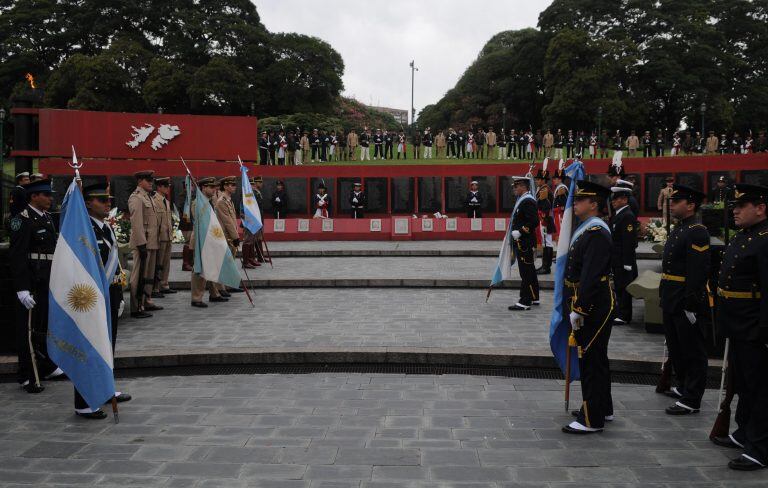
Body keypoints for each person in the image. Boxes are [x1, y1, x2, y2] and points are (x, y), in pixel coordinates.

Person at [712, 183, 768, 471]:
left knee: (760, 388)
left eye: (741, 206)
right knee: (744, 384)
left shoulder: (765, 239)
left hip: (754, 327)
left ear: (761, 208)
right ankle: (745, 432)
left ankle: (760, 448)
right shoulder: (745, 236)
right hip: (736, 323)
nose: (734, 210)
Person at [74, 184, 132, 419]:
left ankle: (106, 389)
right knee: (90, 346)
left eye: (108, 199)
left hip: (109, 295)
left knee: (108, 346)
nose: (107, 203)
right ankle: (83, 402)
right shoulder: (84, 229)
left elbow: (113, 267)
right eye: (101, 200)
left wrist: (117, 296)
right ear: (87, 203)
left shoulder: (105, 227)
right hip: (92, 297)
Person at [562, 180, 615, 435]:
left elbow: (592, 275)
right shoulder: (588, 229)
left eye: (580, 200)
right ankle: (601, 405)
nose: (575, 203)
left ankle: (592, 418)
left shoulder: (595, 232)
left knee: (591, 358)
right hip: (591, 300)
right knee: (597, 357)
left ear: (594, 204)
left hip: (594, 304)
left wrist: (580, 309)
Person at [657, 184, 709, 416]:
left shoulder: (697, 231)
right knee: (676, 346)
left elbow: (698, 271)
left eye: (677, 201)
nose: (672, 204)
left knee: (692, 349)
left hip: (683, 299)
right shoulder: (680, 229)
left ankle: (692, 397)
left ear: (690, 205)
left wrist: (691, 303)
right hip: (671, 296)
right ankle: (683, 385)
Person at [9, 178, 63, 393]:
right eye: (46, 195)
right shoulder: (22, 219)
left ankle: (46, 365)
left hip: (47, 280)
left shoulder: (48, 218)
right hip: (32, 281)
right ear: (34, 197)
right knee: (28, 329)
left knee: (44, 326)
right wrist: (21, 288)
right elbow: (17, 256)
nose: (50, 198)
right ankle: (26, 374)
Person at [128, 170, 163, 318]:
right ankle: (136, 307)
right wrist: (141, 244)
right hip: (143, 243)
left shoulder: (148, 197)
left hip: (152, 242)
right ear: (140, 181)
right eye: (148, 180)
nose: (151, 182)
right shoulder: (136, 198)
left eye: (152, 180)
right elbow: (136, 223)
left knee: (149, 275)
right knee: (139, 275)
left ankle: (145, 300)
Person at [189, 177, 228, 308]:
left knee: (212, 266)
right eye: (211, 187)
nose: (214, 190)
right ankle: (196, 298)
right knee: (199, 269)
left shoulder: (209, 202)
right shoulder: (197, 203)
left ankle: (214, 293)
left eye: (214, 187)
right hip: (201, 239)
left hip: (210, 239)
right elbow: (200, 223)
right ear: (203, 188)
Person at [508, 176, 540, 311]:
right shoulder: (522, 200)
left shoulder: (528, 201)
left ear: (523, 186)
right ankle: (534, 296)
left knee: (526, 271)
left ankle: (525, 300)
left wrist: (520, 231)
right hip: (522, 241)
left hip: (524, 242)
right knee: (530, 270)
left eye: (516, 186)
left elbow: (534, 221)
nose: (514, 189)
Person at [609, 185, 638, 325]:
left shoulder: (627, 216)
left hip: (623, 260)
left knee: (624, 286)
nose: (613, 202)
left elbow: (628, 241)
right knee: (619, 285)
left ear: (624, 200)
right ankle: (620, 311)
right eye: (613, 199)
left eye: (616, 199)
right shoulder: (620, 214)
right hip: (617, 258)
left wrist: (627, 263)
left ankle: (624, 315)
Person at [152, 177, 177, 296]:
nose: (168, 189)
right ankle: (155, 288)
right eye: (166, 186)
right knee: (158, 263)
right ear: (159, 187)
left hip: (167, 236)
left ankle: (164, 284)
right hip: (160, 237)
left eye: (168, 186)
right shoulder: (154, 200)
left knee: (166, 263)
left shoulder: (165, 201)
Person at [215, 176, 241, 260]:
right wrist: (235, 237)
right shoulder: (222, 201)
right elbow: (227, 221)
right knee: (226, 263)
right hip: (226, 236)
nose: (234, 187)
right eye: (232, 185)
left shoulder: (228, 200)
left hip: (231, 235)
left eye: (235, 185)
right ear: (225, 187)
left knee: (230, 262)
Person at [535, 165, 555, 275]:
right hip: (544, 219)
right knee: (545, 243)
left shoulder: (545, 190)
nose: (537, 181)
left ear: (543, 180)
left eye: (538, 179)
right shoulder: (542, 189)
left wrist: (544, 220)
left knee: (547, 243)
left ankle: (546, 267)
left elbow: (545, 206)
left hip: (545, 220)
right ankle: (544, 265)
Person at [242, 176, 264, 269]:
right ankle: (246, 261)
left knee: (252, 239)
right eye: (250, 184)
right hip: (249, 219)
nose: (252, 185)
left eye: (252, 184)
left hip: (256, 219)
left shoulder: (251, 194)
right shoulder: (245, 194)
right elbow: (242, 209)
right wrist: (249, 219)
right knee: (248, 240)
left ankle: (251, 258)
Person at [552, 162, 569, 239]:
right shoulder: (559, 188)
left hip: (560, 215)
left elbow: (563, 205)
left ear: (560, 179)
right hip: (558, 214)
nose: (554, 180)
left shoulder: (562, 189)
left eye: (555, 178)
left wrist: (559, 209)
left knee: (561, 234)